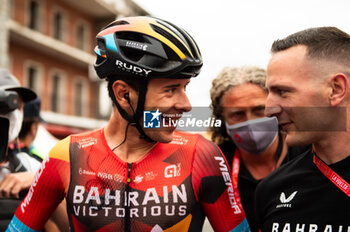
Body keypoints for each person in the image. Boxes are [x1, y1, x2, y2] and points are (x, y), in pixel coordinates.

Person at [7, 16, 249, 232]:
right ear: (124, 95)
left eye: (185, 88)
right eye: (171, 90)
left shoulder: (202, 155)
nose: (186, 104)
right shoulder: (66, 156)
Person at [255, 27, 350, 231]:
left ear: (336, 90)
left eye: (283, 92)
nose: (268, 110)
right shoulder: (272, 189)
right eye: (270, 92)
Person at [209, 66, 310, 232]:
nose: (250, 122)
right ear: (223, 121)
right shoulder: (214, 165)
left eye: (259, 110)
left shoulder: (310, 153)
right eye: (237, 114)